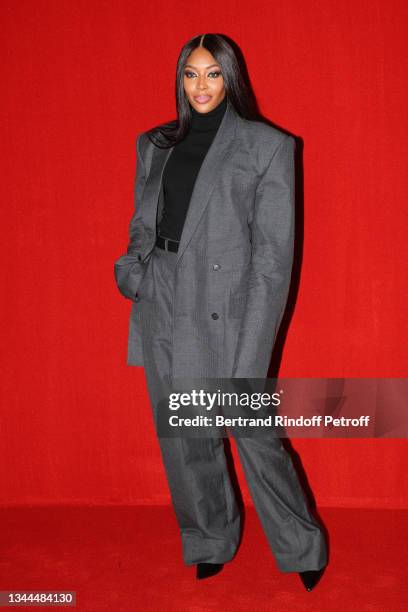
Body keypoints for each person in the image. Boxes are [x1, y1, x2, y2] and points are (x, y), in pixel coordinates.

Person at [114, 33, 328, 591]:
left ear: (232, 77)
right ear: (180, 79)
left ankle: (302, 546)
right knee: (184, 435)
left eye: (212, 73)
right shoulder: (155, 143)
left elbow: (273, 259)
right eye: (191, 74)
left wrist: (254, 344)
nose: (201, 85)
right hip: (163, 296)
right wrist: (134, 271)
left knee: (252, 433)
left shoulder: (268, 146)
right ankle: (210, 538)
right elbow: (142, 219)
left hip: (228, 308)